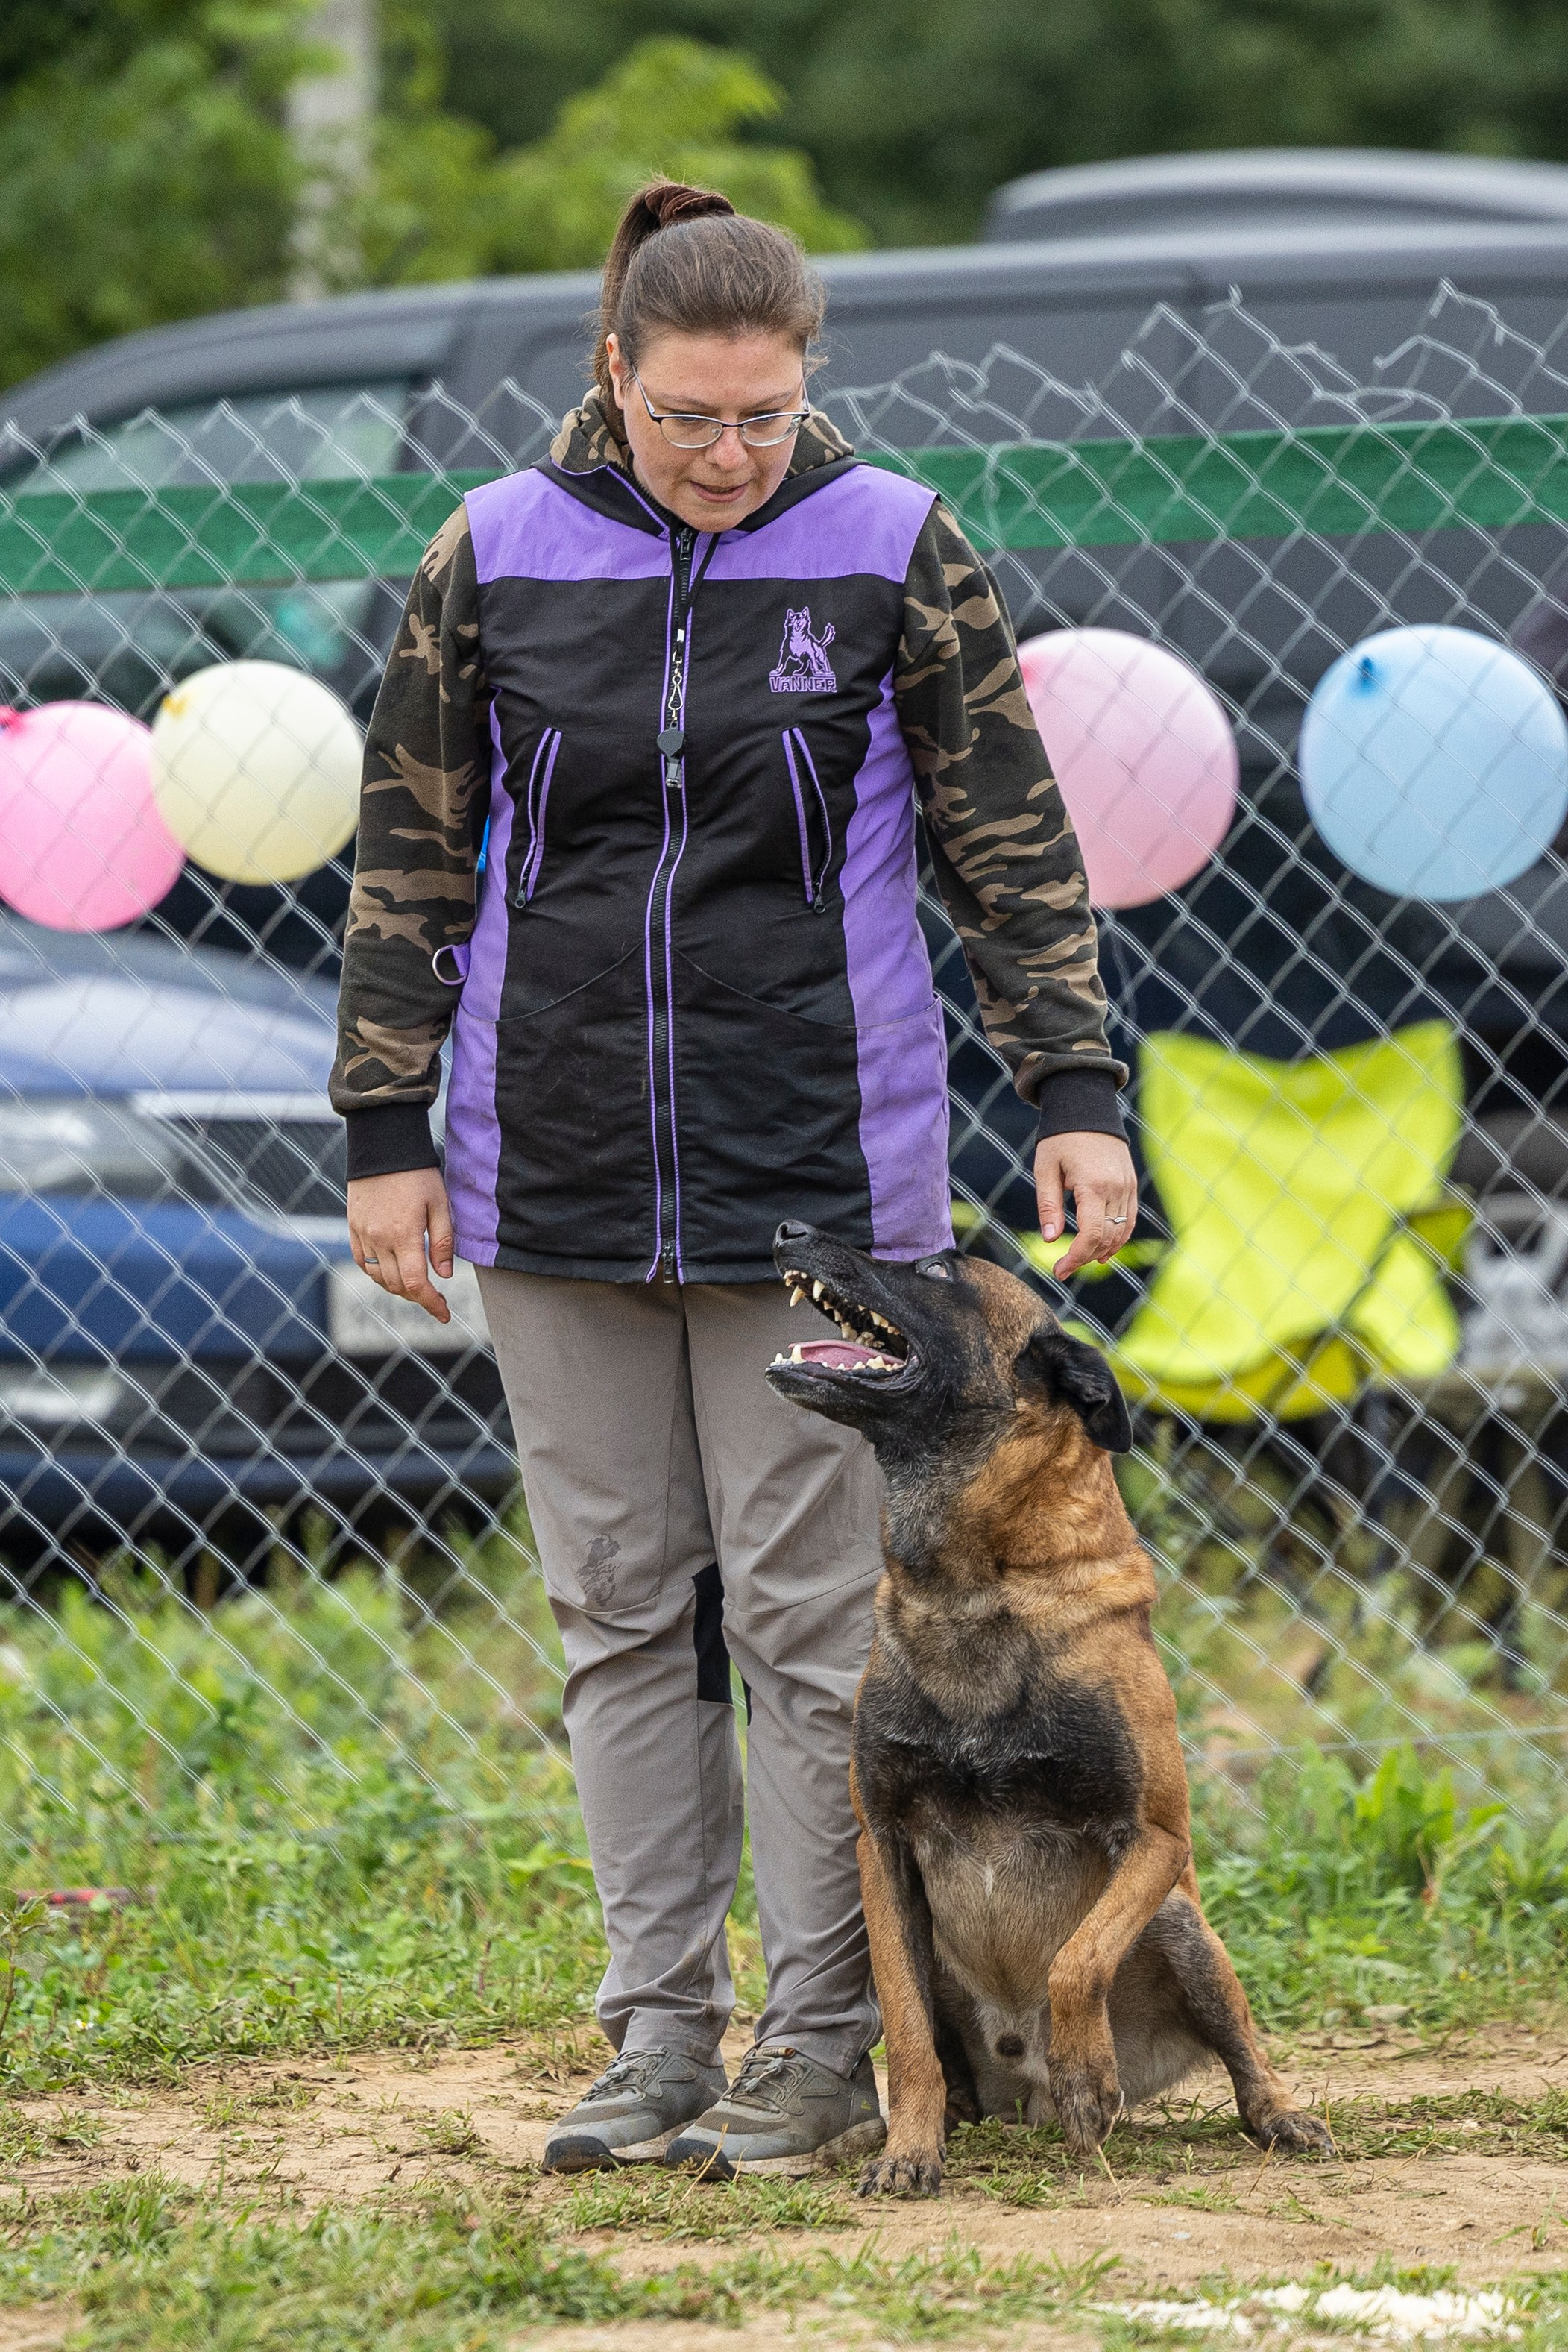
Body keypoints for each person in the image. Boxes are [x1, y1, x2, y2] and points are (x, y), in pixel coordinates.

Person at [330, 180, 1138, 2175]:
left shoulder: (891, 548)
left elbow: (1009, 842)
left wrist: (1074, 1084)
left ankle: (807, 2051)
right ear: (614, 375)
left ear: (806, 388)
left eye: (762, 416)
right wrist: (384, 1128)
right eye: (689, 415)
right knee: (616, 1611)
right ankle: (652, 2040)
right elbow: (408, 857)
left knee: (799, 1626)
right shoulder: (496, 553)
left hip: (821, 1175)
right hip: (552, 1164)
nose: (726, 453)